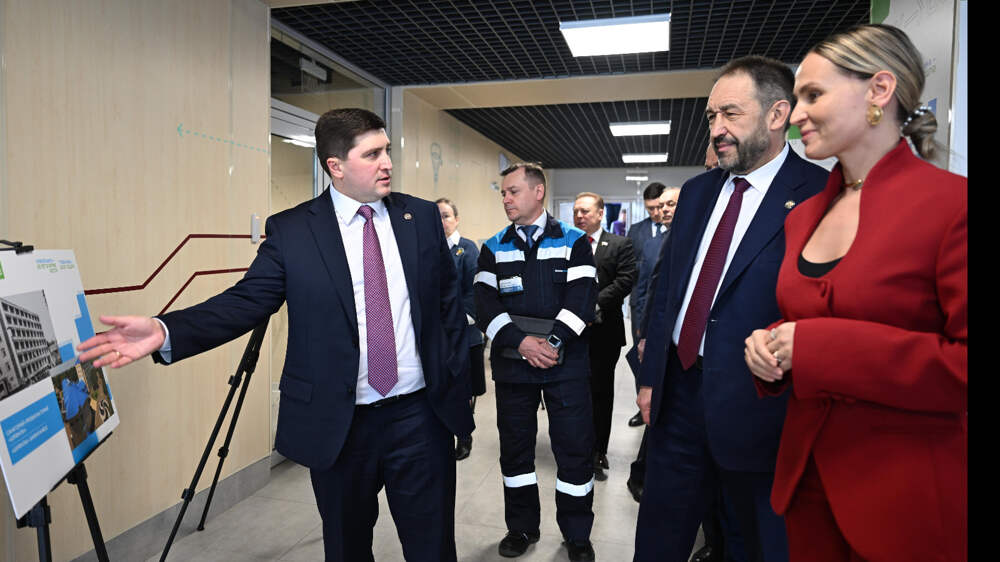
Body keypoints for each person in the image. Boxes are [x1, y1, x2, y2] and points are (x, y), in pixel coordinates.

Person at [78, 108, 474, 562]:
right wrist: (167, 329)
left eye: (386, 150)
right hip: (340, 424)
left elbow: (447, 306)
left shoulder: (418, 217)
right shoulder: (293, 229)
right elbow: (246, 301)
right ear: (335, 166)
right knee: (346, 549)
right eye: (372, 154)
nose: (387, 163)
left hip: (420, 417)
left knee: (432, 548)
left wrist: (457, 380)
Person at [744, 24, 967, 562]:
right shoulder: (803, 218)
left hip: (907, 502)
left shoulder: (952, 206)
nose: (795, 115)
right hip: (808, 486)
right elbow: (810, 316)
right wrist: (770, 347)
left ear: (879, 90)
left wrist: (815, 348)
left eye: (813, 95)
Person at [634, 56, 828, 562]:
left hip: (759, 405)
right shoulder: (698, 193)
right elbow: (667, 292)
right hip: (678, 395)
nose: (717, 128)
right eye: (711, 116)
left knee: (751, 542)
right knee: (659, 537)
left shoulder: (818, 195)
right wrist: (651, 379)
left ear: (777, 114)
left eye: (731, 114)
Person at [475, 162, 598, 561]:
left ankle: (577, 534)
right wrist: (522, 342)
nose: (506, 199)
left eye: (513, 191)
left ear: (538, 191)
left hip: (566, 364)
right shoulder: (493, 247)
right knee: (515, 452)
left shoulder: (574, 241)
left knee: (574, 449)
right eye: (503, 193)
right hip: (513, 366)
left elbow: (583, 300)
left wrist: (552, 343)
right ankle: (521, 528)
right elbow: (484, 305)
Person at [572, 192, 637, 482]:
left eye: (585, 211)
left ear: (600, 214)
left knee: (600, 393)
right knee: (575, 393)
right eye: (576, 211)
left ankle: (598, 451)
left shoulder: (620, 244)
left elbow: (626, 280)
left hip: (604, 333)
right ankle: (577, 447)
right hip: (572, 332)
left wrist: (593, 303)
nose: (579, 216)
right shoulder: (568, 244)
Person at [437, 197, 485, 461]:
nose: (441, 221)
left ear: (456, 219)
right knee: (442, 385)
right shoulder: (429, 248)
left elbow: (474, 291)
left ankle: (464, 435)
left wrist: (456, 321)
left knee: (463, 388)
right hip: (436, 335)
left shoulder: (467, 249)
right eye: (437, 217)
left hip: (463, 333)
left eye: (446, 215)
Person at [625, 181, 669, 426]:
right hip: (639, 301)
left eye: (658, 207)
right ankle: (641, 403)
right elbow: (629, 265)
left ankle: (662, 403)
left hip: (664, 302)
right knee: (640, 354)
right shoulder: (636, 230)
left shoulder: (679, 228)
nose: (655, 212)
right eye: (650, 208)